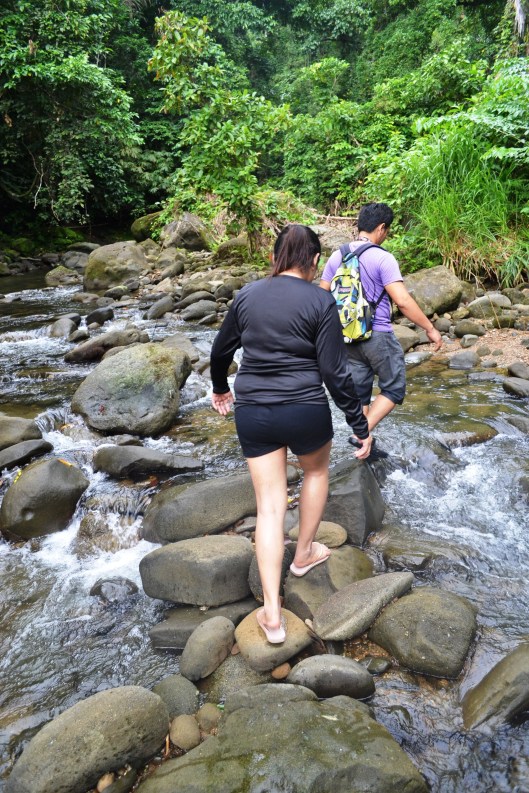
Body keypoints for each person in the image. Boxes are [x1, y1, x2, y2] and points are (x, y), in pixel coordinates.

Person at [210, 224, 372, 645]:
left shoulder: (246, 296)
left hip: (255, 411)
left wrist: (220, 388)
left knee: (268, 507)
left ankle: (272, 614)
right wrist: (360, 424)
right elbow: (336, 374)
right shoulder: (321, 300)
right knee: (315, 474)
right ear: (315, 261)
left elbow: (220, 351)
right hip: (304, 408)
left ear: (275, 256)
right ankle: (302, 555)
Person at [319, 202, 442, 449]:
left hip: (347, 338)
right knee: (394, 389)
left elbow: (322, 297)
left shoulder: (337, 255)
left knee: (361, 393)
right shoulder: (383, 258)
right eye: (388, 230)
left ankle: (363, 441)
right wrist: (430, 329)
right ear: (382, 228)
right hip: (378, 335)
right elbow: (403, 301)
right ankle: (361, 434)